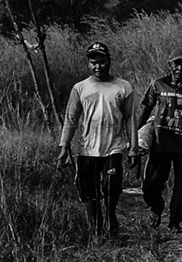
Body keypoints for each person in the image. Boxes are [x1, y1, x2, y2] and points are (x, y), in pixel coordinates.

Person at [57, 40, 137, 241]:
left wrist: (134, 148)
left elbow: (130, 119)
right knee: (89, 195)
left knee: (111, 186)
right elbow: (71, 118)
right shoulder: (80, 88)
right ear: (88, 63)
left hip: (113, 148)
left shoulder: (123, 87)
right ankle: (97, 232)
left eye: (102, 61)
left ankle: (111, 216)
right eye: (94, 62)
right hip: (87, 150)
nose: (98, 66)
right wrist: (64, 145)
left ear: (109, 61)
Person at [138, 46, 182, 233]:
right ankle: (156, 206)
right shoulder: (157, 85)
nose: (180, 68)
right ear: (170, 64)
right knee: (150, 185)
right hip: (160, 146)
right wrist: (135, 138)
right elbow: (145, 110)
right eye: (176, 64)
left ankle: (175, 223)